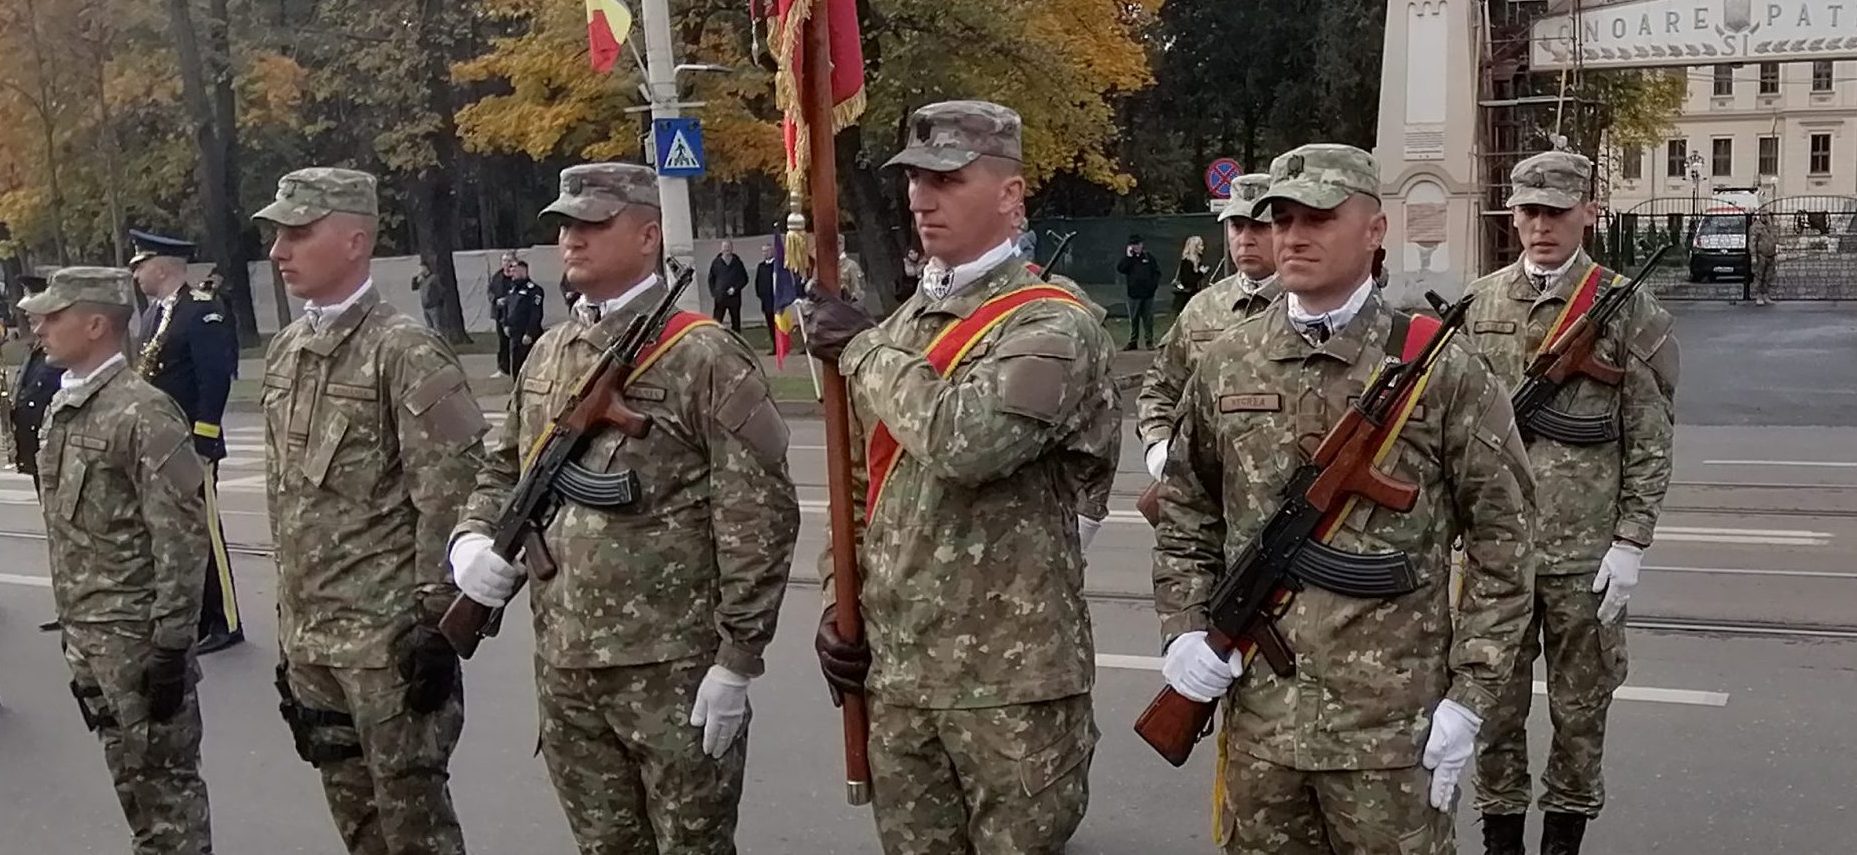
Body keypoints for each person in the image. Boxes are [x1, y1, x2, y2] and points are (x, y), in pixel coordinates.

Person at [1151, 143, 1536, 855]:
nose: (1292, 235)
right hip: (1261, 728)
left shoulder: (1438, 369)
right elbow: (1183, 510)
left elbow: (1504, 542)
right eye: (1281, 217)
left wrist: (1471, 693)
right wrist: (1182, 628)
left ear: (1373, 228)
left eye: (1319, 217)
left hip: (1390, 733)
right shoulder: (1225, 359)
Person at [449, 162, 800, 853]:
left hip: (672, 667)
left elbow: (758, 514)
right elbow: (501, 467)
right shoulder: (549, 353)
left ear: (647, 236)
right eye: (565, 225)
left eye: (592, 224)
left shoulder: (703, 355)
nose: (572, 239)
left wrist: (737, 657)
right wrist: (472, 541)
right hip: (567, 665)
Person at [803, 100, 1121, 854]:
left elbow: (964, 441)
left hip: (1010, 687)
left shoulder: (1052, 323)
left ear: (1011, 195)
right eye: (914, 178)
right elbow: (855, 487)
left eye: (946, 177)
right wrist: (835, 602)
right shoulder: (901, 327)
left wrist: (862, 351)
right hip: (900, 677)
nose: (920, 196)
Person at [255, 167, 485, 854]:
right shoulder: (286, 352)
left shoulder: (404, 351)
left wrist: (435, 626)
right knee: (360, 832)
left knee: (416, 833)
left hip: (388, 651)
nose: (279, 251)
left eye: (298, 232)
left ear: (355, 240)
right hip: (313, 642)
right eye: (276, 235)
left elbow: (451, 496)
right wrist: (291, 629)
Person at [1464, 150, 1679, 855]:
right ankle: (1500, 835)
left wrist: (1631, 540)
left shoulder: (1624, 304)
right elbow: (1451, 432)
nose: (1538, 225)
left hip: (1584, 556)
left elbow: (1647, 433)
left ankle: (1562, 838)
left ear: (1587, 211)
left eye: (1554, 211)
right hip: (1495, 554)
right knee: (1491, 704)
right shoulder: (1481, 302)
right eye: (1527, 210)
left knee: (1579, 709)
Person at [26, 266, 215, 853]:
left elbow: (183, 536)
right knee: (135, 795)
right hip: (91, 638)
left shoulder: (143, 412)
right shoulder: (68, 407)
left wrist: (171, 645)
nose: (40, 327)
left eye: (54, 316)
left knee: (168, 799)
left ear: (96, 323)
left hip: (138, 642)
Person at [128, 229, 244, 655]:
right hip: (162, 441)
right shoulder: (157, 314)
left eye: (140, 266)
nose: (136, 274)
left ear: (161, 266)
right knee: (177, 534)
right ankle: (197, 617)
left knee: (207, 532)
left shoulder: (200, 311)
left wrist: (204, 439)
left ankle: (227, 620)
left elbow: (214, 380)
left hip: (192, 443)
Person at [1136, 173, 1280, 487]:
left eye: (1259, 226)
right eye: (1237, 227)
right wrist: (1159, 449)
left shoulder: (1305, 304)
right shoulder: (1203, 308)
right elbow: (1159, 388)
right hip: (1206, 493)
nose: (1245, 239)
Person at [1117, 233, 1163, 350]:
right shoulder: (1129, 259)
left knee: (1148, 319)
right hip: (1133, 295)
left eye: (1137, 244)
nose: (1135, 247)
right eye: (1133, 244)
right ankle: (1133, 341)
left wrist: (1152, 286)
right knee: (1134, 319)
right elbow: (1121, 269)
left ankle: (1149, 341)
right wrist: (1128, 257)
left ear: (1142, 245)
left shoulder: (1148, 257)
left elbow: (1157, 273)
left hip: (1148, 295)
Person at [502, 260, 546, 375]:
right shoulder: (512, 290)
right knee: (515, 364)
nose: (512, 273)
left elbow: (536, 313)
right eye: (511, 270)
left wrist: (530, 333)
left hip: (526, 334)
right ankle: (517, 386)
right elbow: (507, 308)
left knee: (528, 363)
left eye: (515, 270)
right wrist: (505, 324)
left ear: (523, 271)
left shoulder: (534, 290)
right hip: (514, 333)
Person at [487, 252, 519, 377]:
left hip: (514, 314)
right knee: (502, 342)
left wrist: (509, 300)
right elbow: (490, 291)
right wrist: (496, 300)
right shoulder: (497, 276)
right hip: (500, 314)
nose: (506, 263)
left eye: (509, 260)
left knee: (516, 343)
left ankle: (517, 368)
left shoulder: (517, 276)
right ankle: (502, 368)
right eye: (504, 260)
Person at [708, 240, 750, 332]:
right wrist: (714, 292)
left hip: (734, 298)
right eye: (724, 247)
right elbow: (711, 279)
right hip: (720, 298)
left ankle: (737, 342)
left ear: (732, 248)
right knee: (717, 322)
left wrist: (735, 289)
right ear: (721, 248)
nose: (726, 249)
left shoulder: (737, 262)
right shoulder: (716, 262)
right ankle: (716, 340)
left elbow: (744, 279)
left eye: (728, 247)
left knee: (735, 322)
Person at [1170, 235, 1210, 315]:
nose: (1203, 248)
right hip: (1186, 297)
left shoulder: (1198, 261)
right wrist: (1201, 273)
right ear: (1195, 247)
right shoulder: (1187, 262)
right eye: (1200, 245)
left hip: (1194, 295)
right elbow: (1188, 280)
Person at [754, 242, 781, 353]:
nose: (766, 253)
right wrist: (761, 295)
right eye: (764, 251)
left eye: (768, 251)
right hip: (766, 302)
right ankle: (774, 346)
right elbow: (758, 282)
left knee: (779, 325)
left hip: (777, 301)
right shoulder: (761, 267)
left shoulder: (778, 266)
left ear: (773, 252)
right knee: (770, 325)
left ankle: (781, 347)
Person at [1750, 210, 1778, 306]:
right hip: (1760, 255)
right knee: (1759, 276)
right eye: (1763, 215)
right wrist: (1753, 256)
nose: (1765, 217)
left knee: (1768, 276)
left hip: (1771, 255)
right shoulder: (1756, 227)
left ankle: (1765, 294)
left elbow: (1774, 239)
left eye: (1767, 215)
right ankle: (1758, 295)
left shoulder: (1770, 226)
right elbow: (1752, 243)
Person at [411, 260, 444, 329]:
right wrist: (415, 278)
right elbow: (414, 288)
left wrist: (437, 301)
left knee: (437, 327)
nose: (420, 270)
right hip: (425, 307)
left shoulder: (433, 278)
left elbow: (441, 289)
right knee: (430, 327)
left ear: (426, 268)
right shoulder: (421, 280)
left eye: (421, 268)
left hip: (434, 307)